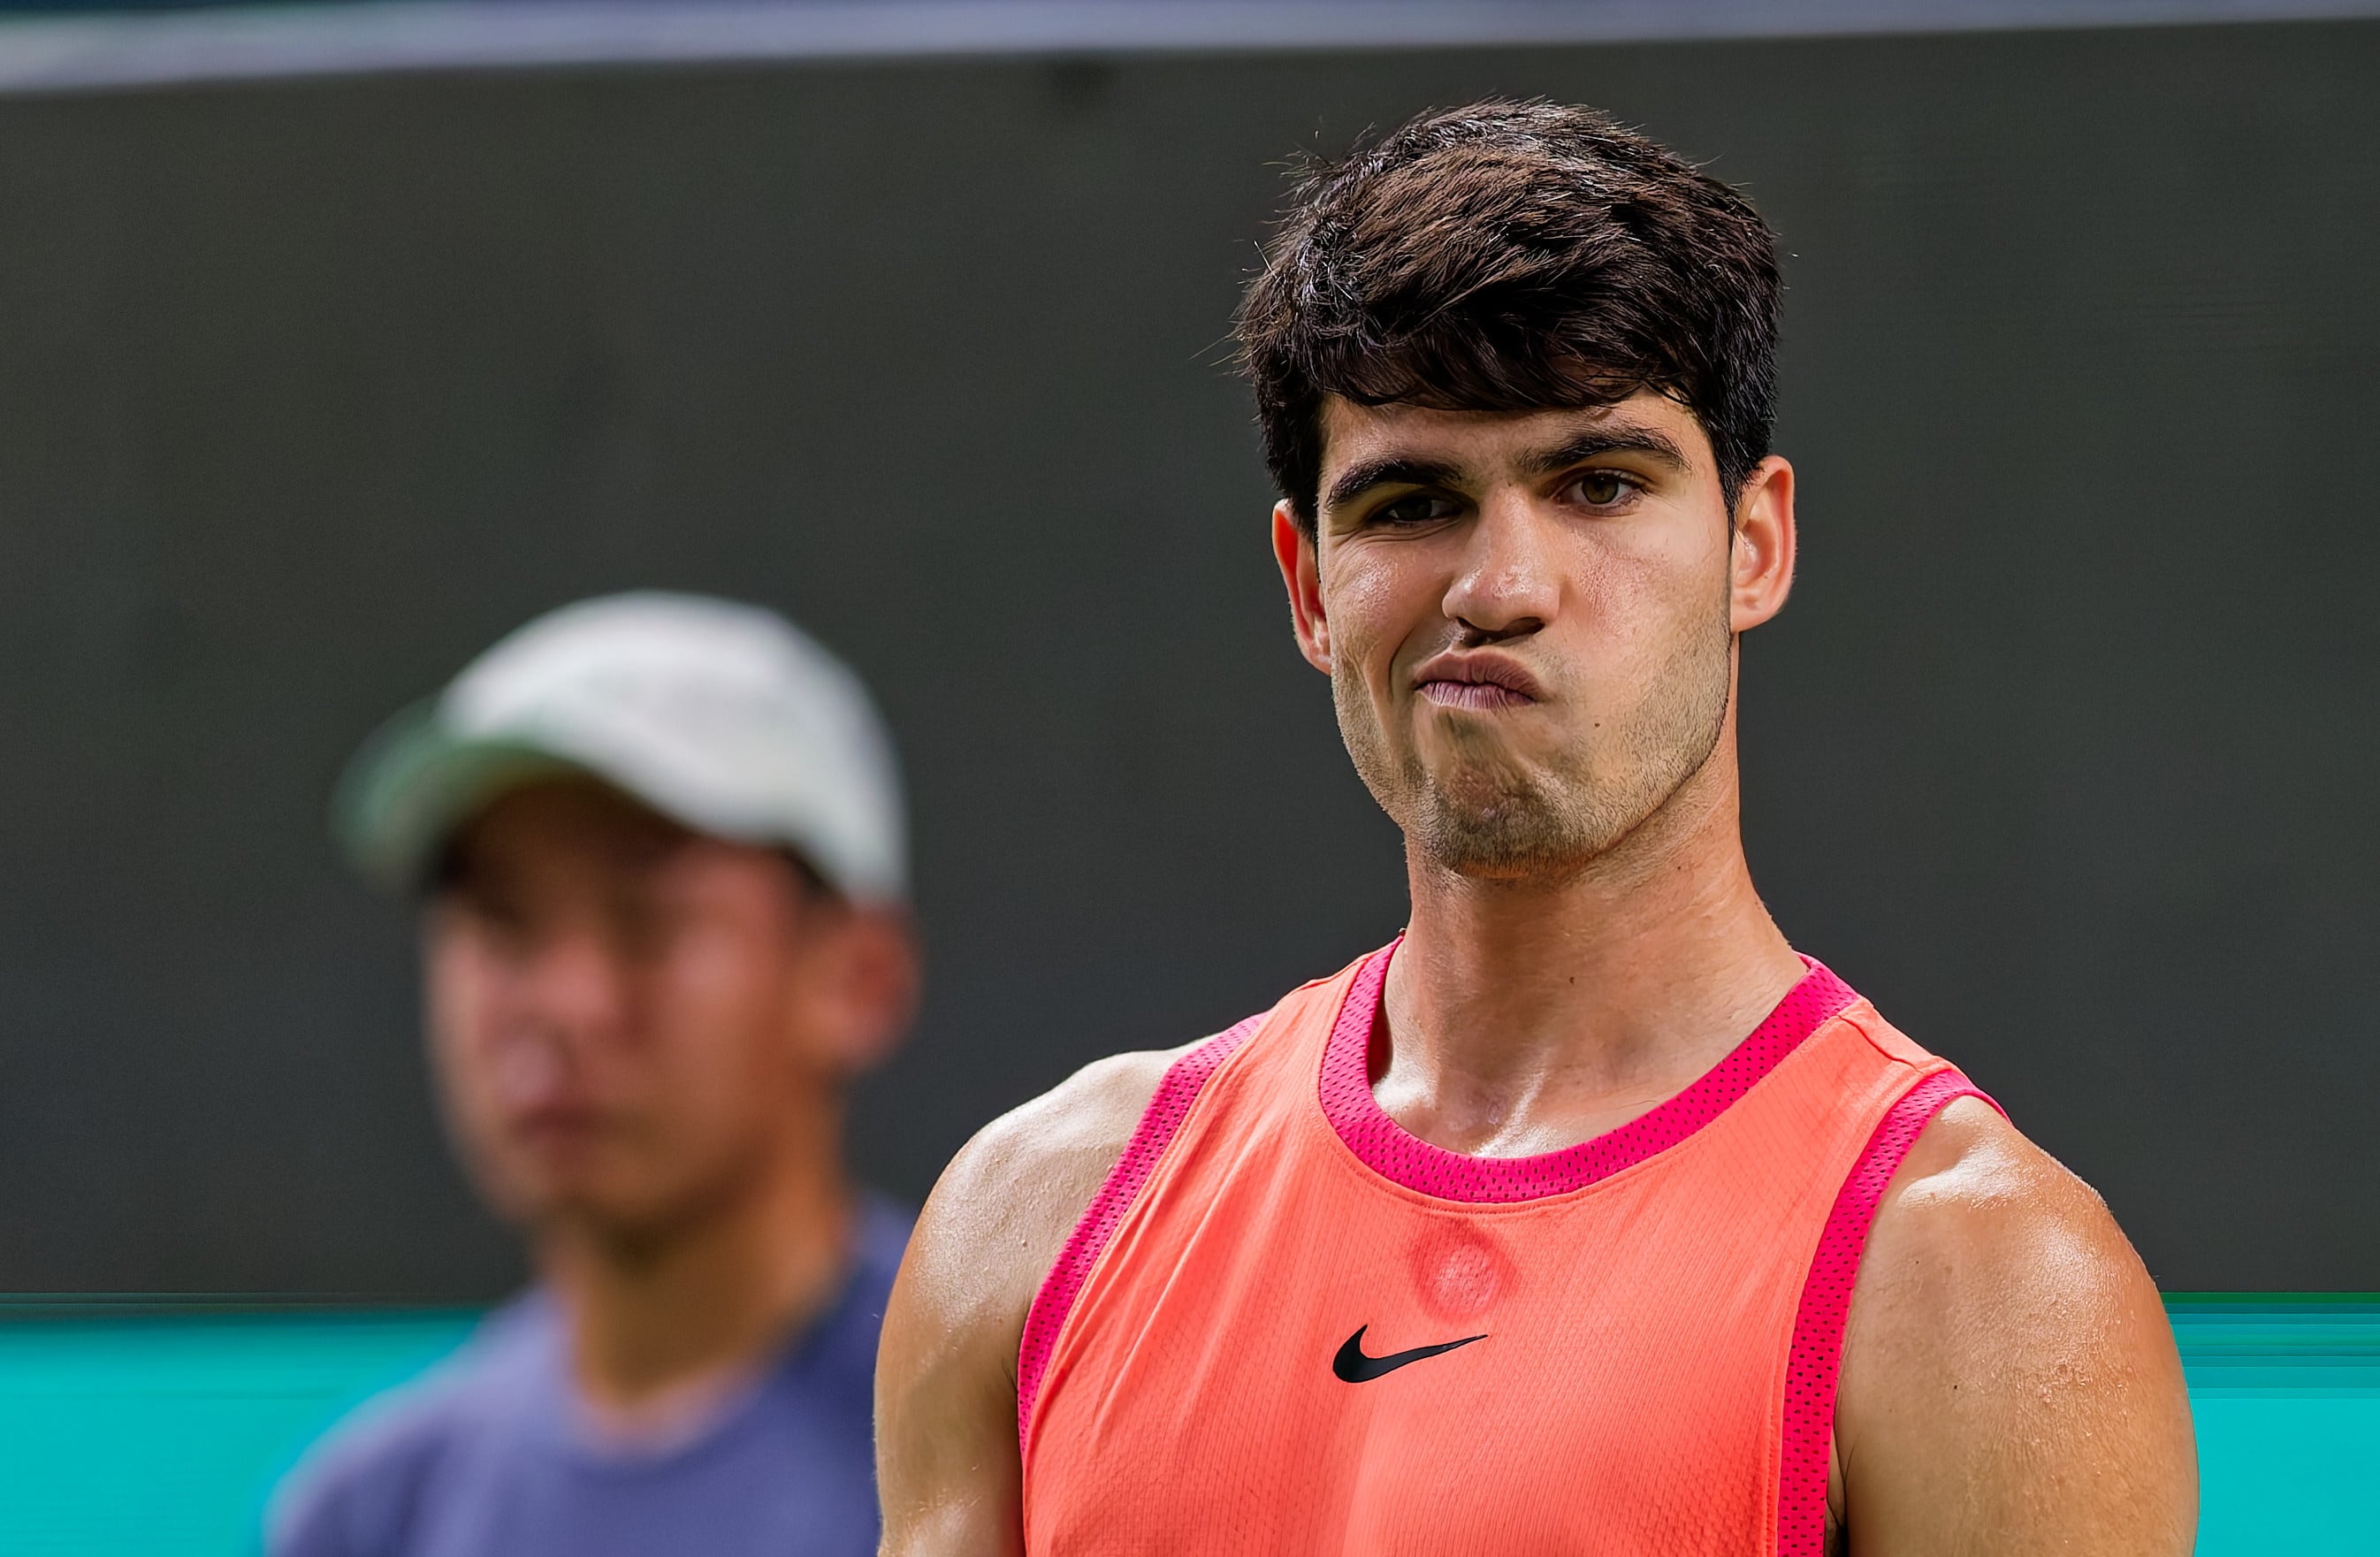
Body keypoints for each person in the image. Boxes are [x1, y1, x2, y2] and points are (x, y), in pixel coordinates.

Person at [875, 102, 2197, 1555]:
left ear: (1753, 544)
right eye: (1411, 502)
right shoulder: (1037, 1223)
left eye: (1598, 485)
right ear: (1307, 586)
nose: (1499, 582)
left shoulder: (1971, 1280)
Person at [272, 592, 919, 1557]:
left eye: (647, 920)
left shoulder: (1012, 1443)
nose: (569, 1006)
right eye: (503, 921)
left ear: (854, 980)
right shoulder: (372, 1514)